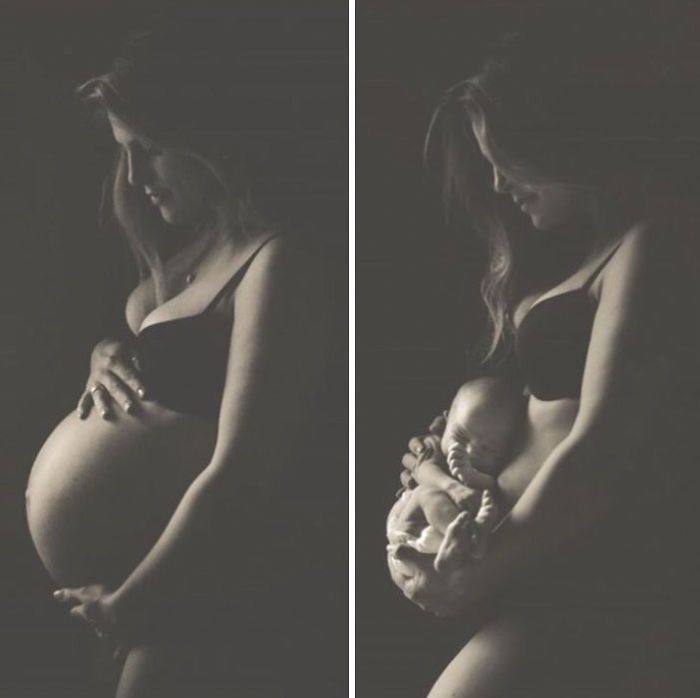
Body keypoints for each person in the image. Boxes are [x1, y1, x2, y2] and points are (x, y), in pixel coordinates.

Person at [25, 20, 342, 697]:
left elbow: (244, 466)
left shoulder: (276, 263)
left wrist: (136, 601)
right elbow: (147, 339)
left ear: (214, 141)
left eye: (154, 150)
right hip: (137, 585)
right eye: (124, 152)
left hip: (195, 592)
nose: (135, 175)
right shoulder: (191, 261)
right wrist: (102, 353)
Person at [387, 28, 700, 697]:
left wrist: (484, 570)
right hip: (529, 568)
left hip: (585, 578)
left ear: (556, 139)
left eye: (504, 158)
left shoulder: (649, 248)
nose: (498, 184)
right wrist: (438, 471)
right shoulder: (586, 260)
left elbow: (601, 445)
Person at [386, 377, 523, 565]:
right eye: (461, 436)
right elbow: (423, 471)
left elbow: (489, 490)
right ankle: (467, 538)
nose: (470, 452)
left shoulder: (492, 472)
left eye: (489, 449)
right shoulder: (434, 444)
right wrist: (454, 488)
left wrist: (472, 477)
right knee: (428, 494)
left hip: (442, 549)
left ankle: (466, 540)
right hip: (410, 527)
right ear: (446, 420)